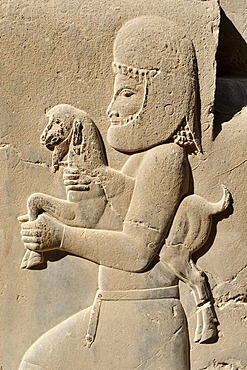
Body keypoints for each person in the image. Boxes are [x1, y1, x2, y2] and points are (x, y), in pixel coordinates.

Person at [19, 16, 200, 369]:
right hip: (117, 310)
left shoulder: (165, 159)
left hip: (145, 317)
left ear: (163, 98)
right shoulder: (140, 162)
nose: (111, 108)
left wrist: (61, 236)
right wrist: (64, 213)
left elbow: (135, 251)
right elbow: (103, 225)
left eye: (127, 94)